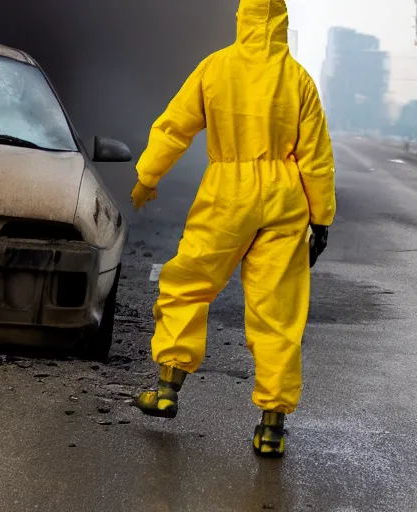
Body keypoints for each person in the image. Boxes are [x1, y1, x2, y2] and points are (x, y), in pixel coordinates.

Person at [130, 0, 336, 457]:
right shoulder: (298, 80)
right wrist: (321, 218)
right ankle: (271, 428)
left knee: (188, 283)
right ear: (282, 23)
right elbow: (316, 157)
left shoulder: (216, 67)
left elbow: (175, 126)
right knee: (278, 313)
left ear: (242, 19)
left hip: (227, 193)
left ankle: (167, 387)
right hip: (285, 201)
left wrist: (147, 176)